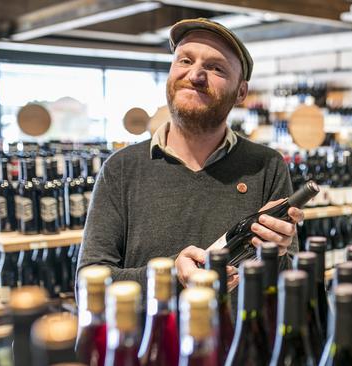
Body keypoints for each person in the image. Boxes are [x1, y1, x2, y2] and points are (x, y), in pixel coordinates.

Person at [77, 18, 303, 292]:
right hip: (151, 336)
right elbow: (88, 285)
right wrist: (169, 275)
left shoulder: (266, 165)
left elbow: (288, 284)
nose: (195, 75)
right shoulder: (121, 168)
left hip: (237, 335)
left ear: (240, 92)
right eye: (185, 61)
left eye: (215, 68)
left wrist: (275, 255)